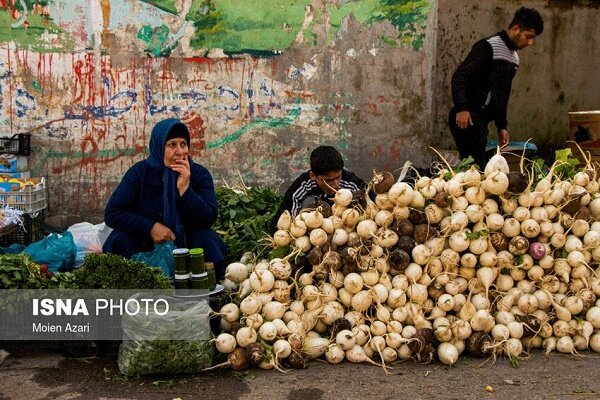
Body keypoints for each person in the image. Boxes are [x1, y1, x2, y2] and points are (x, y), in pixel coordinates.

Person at [102, 118, 227, 279]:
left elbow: (208, 218)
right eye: (172, 145)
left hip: (186, 244)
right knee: (120, 238)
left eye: (183, 144)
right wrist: (150, 227)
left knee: (206, 238)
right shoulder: (139, 173)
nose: (180, 152)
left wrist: (184, 189)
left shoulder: (199, 174)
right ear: (159, 147)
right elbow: (113, 213)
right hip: (145, 244)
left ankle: (201, 283)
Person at [448, 7, 544, 169]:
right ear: (515, 29)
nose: (530, 43)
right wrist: (462, 108)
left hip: (481, 121)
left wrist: (502, 126)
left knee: (476, 169)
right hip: (467, 118)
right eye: (528, 37)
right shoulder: (488, 47)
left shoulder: (514, 59)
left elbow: (503, 94)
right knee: (474, 169)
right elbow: (459, 77)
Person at [270, 145, 365, 231]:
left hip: (343, 229)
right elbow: (280, 222)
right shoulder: (303, 185)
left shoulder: (351, 182)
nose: (335, 184)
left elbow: (371, 200)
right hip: (312, 232)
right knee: (309, 201)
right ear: (313, 175)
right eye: (328, 180)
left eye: (338, 177)